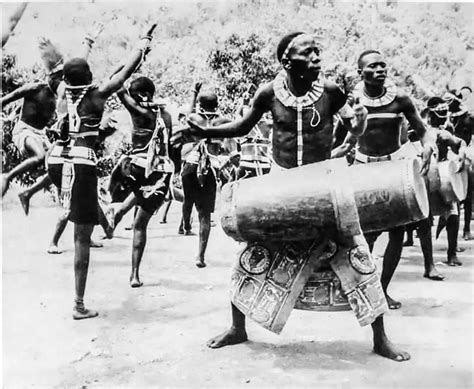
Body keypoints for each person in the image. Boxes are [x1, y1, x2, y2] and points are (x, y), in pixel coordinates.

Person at [189, 33, 411, 362]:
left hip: (325, 185)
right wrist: (206, 132)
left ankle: (380, 338)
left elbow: (354, 129)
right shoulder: (268, 93)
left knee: (357, 255)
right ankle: (238, 328)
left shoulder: (332, 92)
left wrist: (358, 125)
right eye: (309, 53)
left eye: (318, 52)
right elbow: (242, 127)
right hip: (280, 186)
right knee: (252, 254)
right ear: (287, 62)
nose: (317, 58)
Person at [46, 23, 157, 318]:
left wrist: (87, 41)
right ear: (90, 77)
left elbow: (73, 70)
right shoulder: (97, 95)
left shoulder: (60, 91)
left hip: (56, 160)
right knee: (81, 237)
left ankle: (105, 221)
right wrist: (143, 43)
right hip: (81, 163)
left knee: (82, 208)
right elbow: (126, 72)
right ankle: (79, 305)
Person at [333, 50, 437, 306]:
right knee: (363, 234)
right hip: (362, 169)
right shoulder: (352, 102)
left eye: (383, 65)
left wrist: (428, 146)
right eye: (373, 66)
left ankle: (382, 289)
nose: (380, 69)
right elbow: (339, 139)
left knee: (397, 232)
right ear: (361, 73)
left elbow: (425, 131)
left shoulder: (400, 99)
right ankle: (361, 289)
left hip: (394, 168)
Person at [1, 28, 102, 212]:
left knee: (60, 163)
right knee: (40, 156)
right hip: (24, 132)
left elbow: (77, 66)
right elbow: (4, 100)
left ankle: (28, 193)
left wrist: (88, 41)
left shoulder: (63, 93)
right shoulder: (35, 88)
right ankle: (7, 176)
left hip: (41, 134)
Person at [111, 76, 174, 287]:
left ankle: (114, 214)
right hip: (160, 174)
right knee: (141, 222)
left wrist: (131, 60)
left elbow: (116, 86)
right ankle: (135, 275)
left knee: (137, 220)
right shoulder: (166, 115)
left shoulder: (138, 112)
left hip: (138, 170)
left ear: (139, 95)